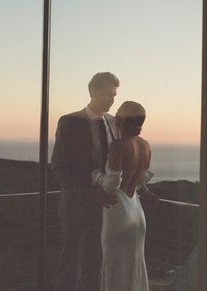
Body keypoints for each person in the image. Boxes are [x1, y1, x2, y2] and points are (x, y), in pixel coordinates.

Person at [51, 72, 120, 291]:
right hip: (77, 207)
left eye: (114, 95)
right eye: (108, 94)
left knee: (95, 263)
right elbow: (59, 167)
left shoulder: (114, 123)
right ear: (92, 92)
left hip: (106, 208)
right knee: (70, 263)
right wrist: (87, 192)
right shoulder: (70, 122)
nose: (112, 100)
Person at [92, 101, 159, 291]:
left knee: (114, 268)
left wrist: (96, 176)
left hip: (118, 211)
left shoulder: (118, 146)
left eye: (118, 113)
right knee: (134, 267)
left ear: (120, 120)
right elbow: (140, 181)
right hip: (137, 213)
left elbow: (112, 183)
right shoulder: (145, 146)